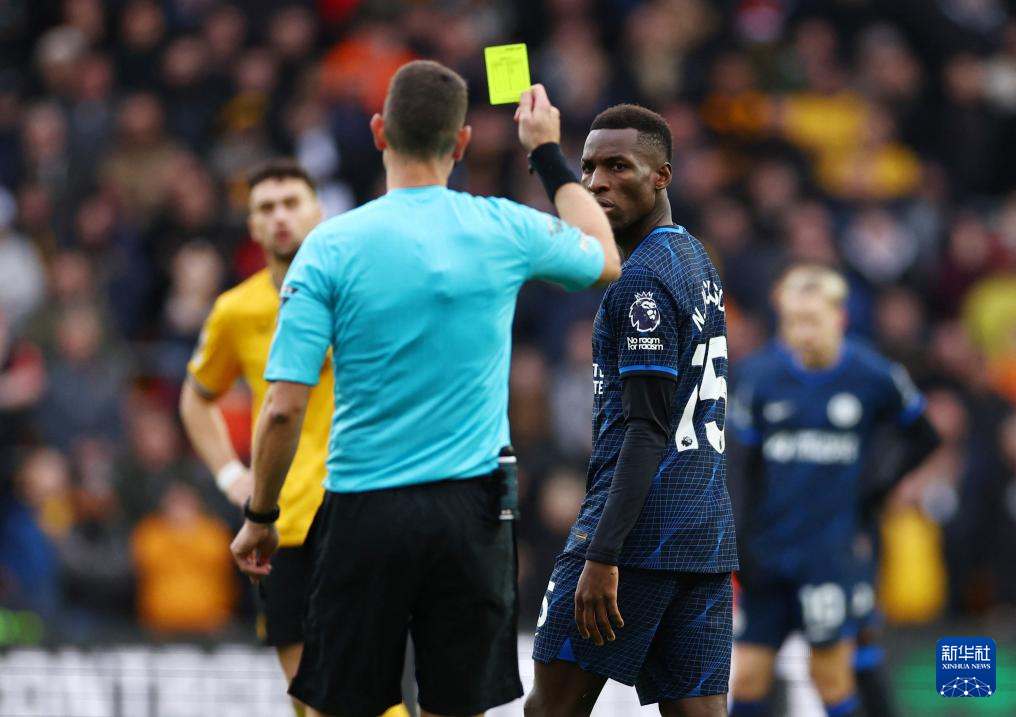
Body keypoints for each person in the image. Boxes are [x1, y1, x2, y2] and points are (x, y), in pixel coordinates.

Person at [229, 60, 620, 717]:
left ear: (379, 132)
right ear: (461, 143)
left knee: (344, 707)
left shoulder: (328, 247)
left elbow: (283, 407)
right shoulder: (502, 226)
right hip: (471, 510)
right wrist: (546, 151)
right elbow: (605, 256)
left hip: (363, 506)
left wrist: (261, 516)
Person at [526, 104, 738, 717]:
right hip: (703, 534)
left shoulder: (642, 281)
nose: (598, 182)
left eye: (618, 167)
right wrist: (546, 156)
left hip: (637, 537)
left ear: (662, 175)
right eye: (589, 168)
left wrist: (603, 552)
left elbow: (647, 430)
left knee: (549, 711)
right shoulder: (695, 259)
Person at [179, 159, 407, 717]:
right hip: (279, 524)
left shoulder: (366, 291)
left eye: (290, 203)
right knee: (308, 701)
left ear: (318, 212)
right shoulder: (236, 311)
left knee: (364, 690)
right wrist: (232, 476)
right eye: (266, 208)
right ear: (252, 226)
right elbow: (195, 397)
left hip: (363, 510)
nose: (280, 216)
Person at [727, 265, 939, 717]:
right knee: (746, 678)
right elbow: (741, 466)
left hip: (829, 554)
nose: (802, 333)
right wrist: (739, 538)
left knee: (831, 677)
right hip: (767, 553)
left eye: (812, 320)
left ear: (839, 318)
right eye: (792, 322)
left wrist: (875, 490)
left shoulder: (871, 373)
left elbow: (925, 436)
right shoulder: (759, 375)